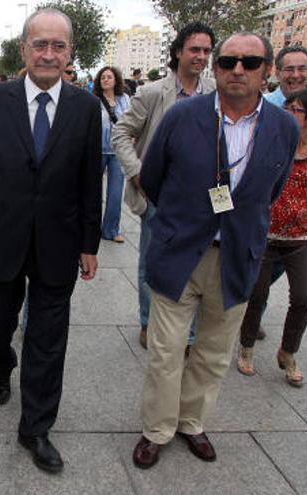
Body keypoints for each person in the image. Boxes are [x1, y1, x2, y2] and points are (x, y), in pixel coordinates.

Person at [132, 32, 298, 469]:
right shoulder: (182, 117)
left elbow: (272, 189)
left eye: (249, 62)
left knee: (213, 350)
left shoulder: (283, 127)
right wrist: (185, 219)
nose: (237, 69)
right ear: (215, 68)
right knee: (166, 350)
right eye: (227, 62)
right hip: (180, 252)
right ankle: (157, 430)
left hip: (237, 256)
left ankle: (191, 422)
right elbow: (151, 177)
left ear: (267, 71)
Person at [0, 8, 101, 474]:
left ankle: (35, 427)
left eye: (59, 46)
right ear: (24, 48)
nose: (49, 54)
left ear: (70, 53)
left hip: (58, 244)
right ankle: (2, 364)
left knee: (49, 338)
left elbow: (88, 181)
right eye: (40, 44)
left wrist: (89, 242)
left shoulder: (84, 107)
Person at [112, 21, 217, 350]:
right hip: (159, 195)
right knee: (153, 261)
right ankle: (148, 322)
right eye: (194, 49)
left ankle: (187, 334)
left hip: (203, 198)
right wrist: (138, 173)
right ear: (177, 52)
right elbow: (121, 134)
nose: (200, 56)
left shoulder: (216, 91)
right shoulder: (153, 92)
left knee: (199, 262)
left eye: (206, 51)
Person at [237, 89, 307, 387]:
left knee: (305, 297)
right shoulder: (272, 139)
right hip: (264, 231)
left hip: (302, 234)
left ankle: (288, 351)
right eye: (288, 107)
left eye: (296, 110)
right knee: (257, 294)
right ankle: (246, 346)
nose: (288, 113)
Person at [94, 66, 130, 242]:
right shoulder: (93, 100)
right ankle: (91, 228)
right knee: (93, 192)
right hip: (97, 150)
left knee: (115, 192)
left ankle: (111, 230)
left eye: (109, 77)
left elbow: (132, 122)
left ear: (116, 80)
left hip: (118, 152)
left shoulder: (125, 99)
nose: (106, 80)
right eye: (103, 77)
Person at [265, 46, 307, 136]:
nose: (295, 75)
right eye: (289, 69)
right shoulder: (261, 105)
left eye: (302, 69)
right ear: (278, 74)